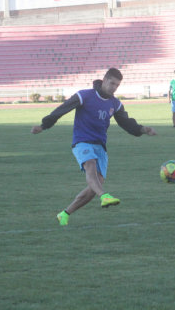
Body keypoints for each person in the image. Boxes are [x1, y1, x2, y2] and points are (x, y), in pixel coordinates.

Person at [31, 68, 157, 226]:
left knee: (96, 184)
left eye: (117, 86)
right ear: (104, 80)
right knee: (90, 166)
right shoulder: (84, 96)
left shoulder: (115, 104)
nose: (113, 88)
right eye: (111, 83)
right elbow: (62, 109)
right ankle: (104, 196)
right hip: (82, 141)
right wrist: (44, 125)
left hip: (100, 145)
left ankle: (65, 213)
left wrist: (143, 129)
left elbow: (127, 123)